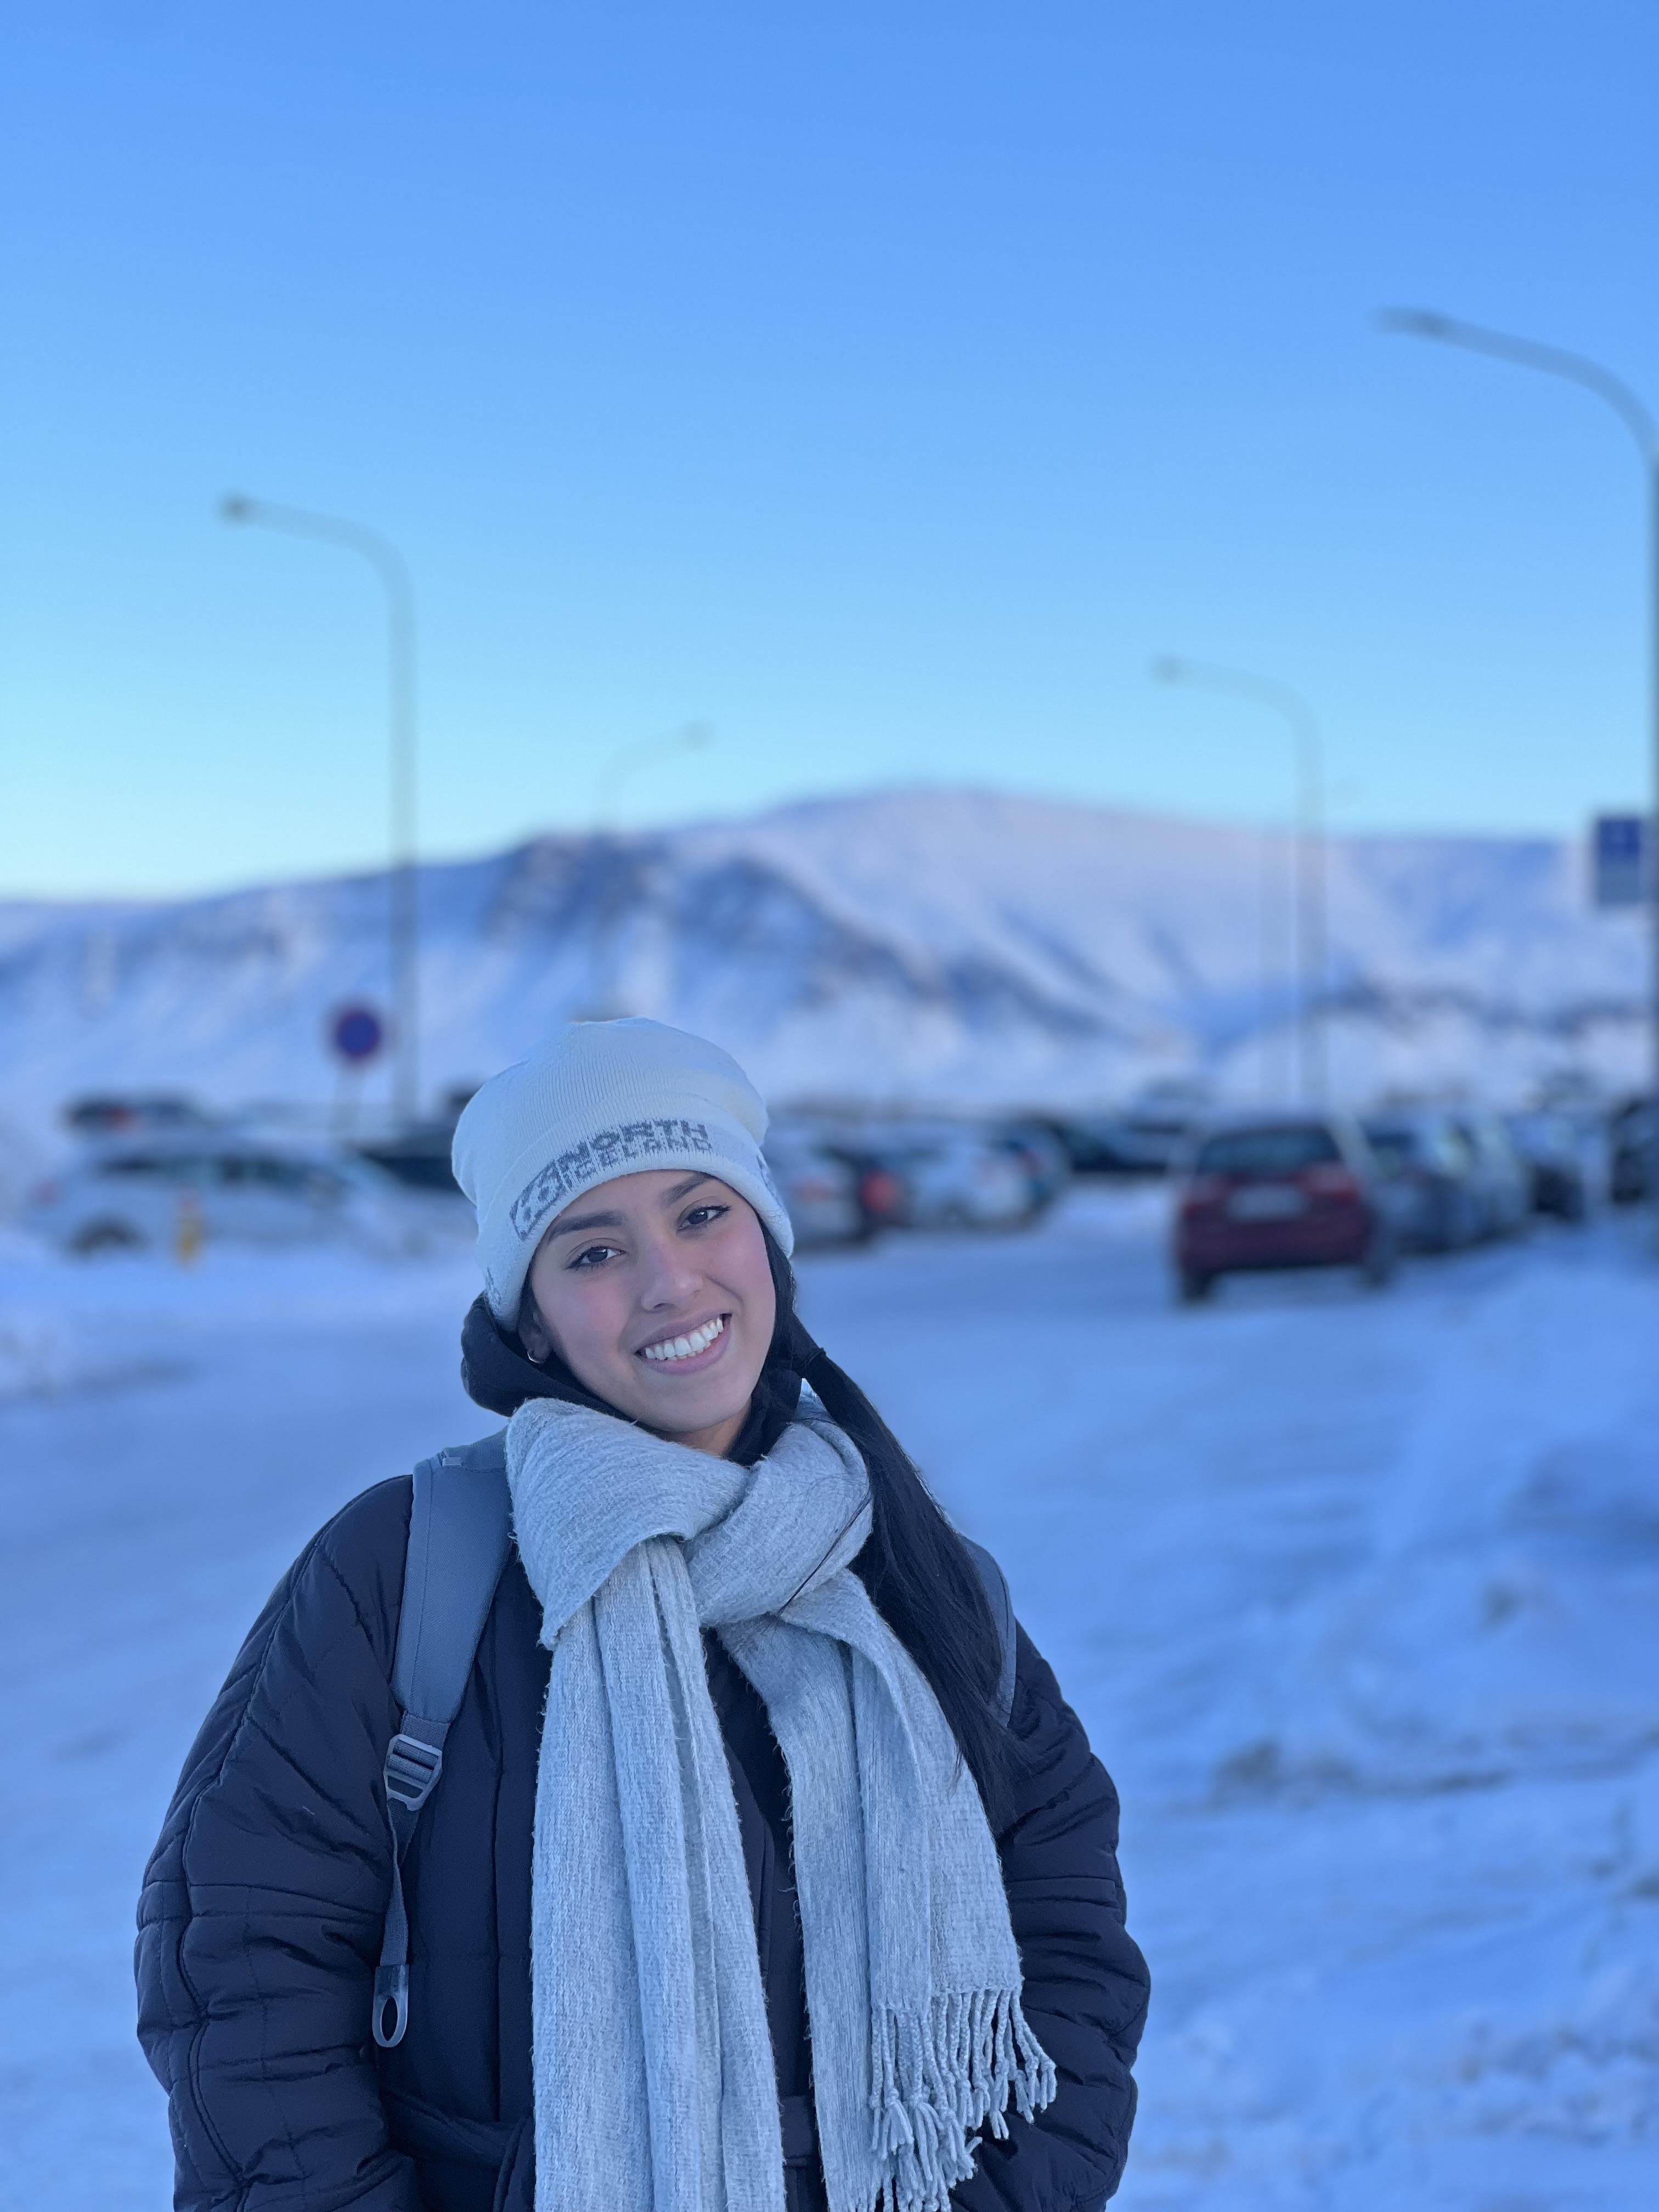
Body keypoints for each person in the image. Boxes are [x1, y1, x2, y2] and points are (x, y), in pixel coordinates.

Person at [137, 1020, 1148, 2212]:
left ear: (767, 1237)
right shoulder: (408, 1566)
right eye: (595, 1250)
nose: (669, 1281)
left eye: (701, 1213)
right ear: (530, 1319)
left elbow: (1067, 1935)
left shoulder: (912, 1573)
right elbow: (244, 1969)